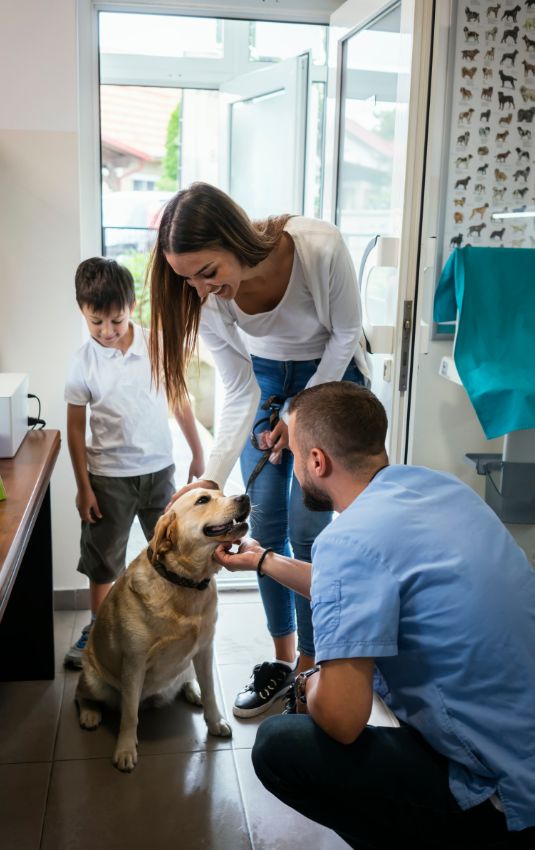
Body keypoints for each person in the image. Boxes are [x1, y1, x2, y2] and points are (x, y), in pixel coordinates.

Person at [214, 382, 535, 849]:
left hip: (503, 796)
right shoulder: (441, 489)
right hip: (521, 740)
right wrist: (263, 560)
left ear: (317, 462)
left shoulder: (346, 543)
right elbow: (362, 578)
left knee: (279, 746)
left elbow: (343, 720)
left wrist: (306, 683)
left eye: (296, 453)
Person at [148, 182, 368, 717]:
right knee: (263, 526)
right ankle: (281, 662)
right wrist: (211, 476)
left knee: (308, 528)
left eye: (206, 272)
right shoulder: (209, 302)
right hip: (267, 382)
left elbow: (346, 335)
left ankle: (311, 669)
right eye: (187, 280)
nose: (200, 290)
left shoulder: (318, 247)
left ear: (232, 238)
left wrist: (299, 415)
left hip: (333, 374)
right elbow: (241, 389)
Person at [64, 257, 204, 668]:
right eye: (96, 323)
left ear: (132, 307)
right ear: (82, 311)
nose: (107, 332)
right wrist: (83, 486)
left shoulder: (156, 344)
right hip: (107, 478)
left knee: (172, 550)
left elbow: (179, 399)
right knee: (103, 559)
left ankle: (173, 626)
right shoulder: (82, 362)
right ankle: (99, 628)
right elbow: (75, 429)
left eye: (116, 321)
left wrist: (196, 451)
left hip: (159, 471)